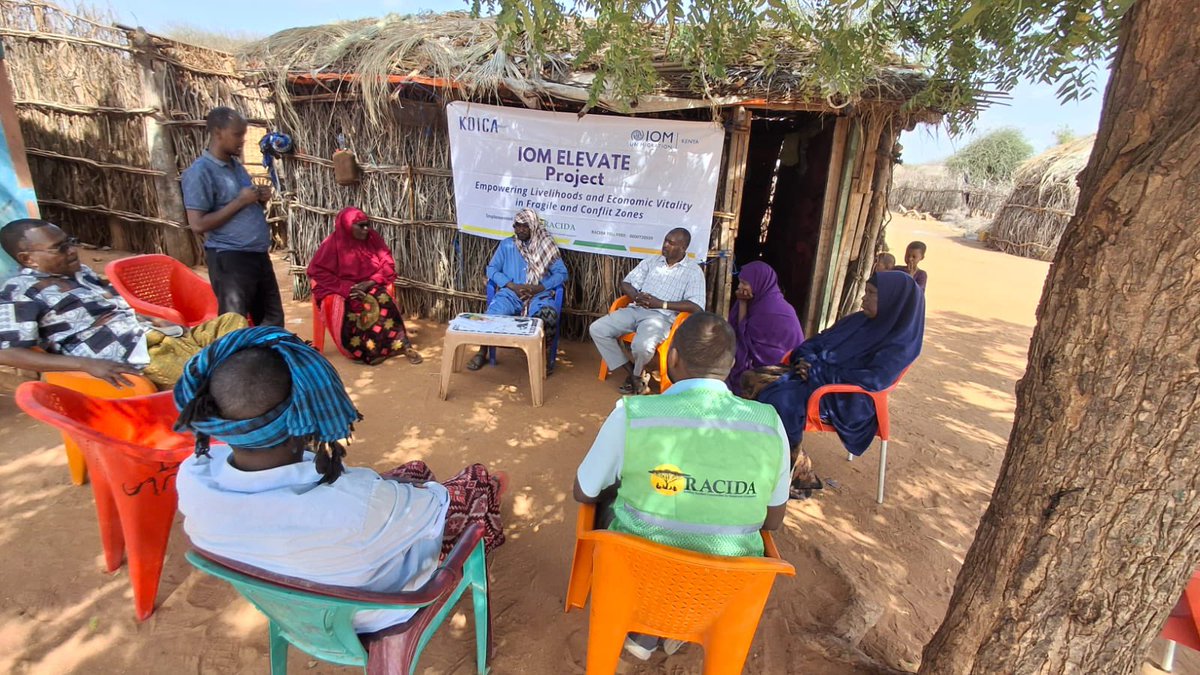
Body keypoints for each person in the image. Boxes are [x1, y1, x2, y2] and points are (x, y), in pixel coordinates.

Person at [173, 326, 507, 634]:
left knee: (414, 471)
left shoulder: (194, 477)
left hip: (290, 603)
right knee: (477, 480)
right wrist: (412, 492)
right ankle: (490, 504)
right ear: (302, 422)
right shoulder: (358, 506)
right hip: (376, 610)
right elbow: (436, 502)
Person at [574, 312, 791, 661]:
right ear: (730, 365)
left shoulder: (632, 414)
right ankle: (680, 626)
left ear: (672, 357)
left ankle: (645, 629)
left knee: (613, 497)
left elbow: (584, 491)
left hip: (639, 578)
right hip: (725, 592)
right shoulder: (769, 424)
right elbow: (773, 521)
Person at [0, 219, 247, 389]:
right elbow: (7, 352)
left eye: (69, 242)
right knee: (220, 373)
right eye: (59, 248)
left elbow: (116, 309)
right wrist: (84, 364)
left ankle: (223, 363)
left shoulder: (80, 273)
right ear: (28, 259)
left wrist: (151, 319)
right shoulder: (20, 292)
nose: (72, 250)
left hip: (157, 336)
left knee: (233, 322)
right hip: (136, 355)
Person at [745, 270, 924, 498]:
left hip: (846, 398)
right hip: (814, 376)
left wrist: (819, 371)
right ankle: (768, 456)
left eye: (871, 293)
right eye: (865, 291)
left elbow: (873, 379)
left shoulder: (900, 344)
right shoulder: (857, 321)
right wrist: (806, 360)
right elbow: (818, 341)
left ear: (891, 301)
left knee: (779, 400)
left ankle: (799, 476)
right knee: (751, 379)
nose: (864, 298)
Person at [182, 107, 284, 327]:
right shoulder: (200, 172)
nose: (242, 140)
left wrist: (259, 199)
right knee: (234, 324)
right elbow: (197, 224)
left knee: (272, 322)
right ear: (218, 132)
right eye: (237, 134)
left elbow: (241, 204)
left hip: (257, 255)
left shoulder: (236, 166)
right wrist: (240, 201)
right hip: (230, 258)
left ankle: (269, 351)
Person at [589, 228, 706, 394]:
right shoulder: (652, 261)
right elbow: (626, 283)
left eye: (671, 243)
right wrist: (636, 296)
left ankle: (636, 375)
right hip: (636, 309)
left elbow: (696, 306)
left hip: (661, 318)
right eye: (665, 240)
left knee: (642, 347)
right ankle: (633, 374)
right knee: (597, 329)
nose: (665, 245)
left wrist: (661, 304)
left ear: (683, 248)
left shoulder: (693, 272)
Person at [307, 207, 422, 365]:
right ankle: (370, 351)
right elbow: (317, 272)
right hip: (342, 286)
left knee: (382, 299)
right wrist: (348, 288)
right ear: (347, 226)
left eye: (368, 224)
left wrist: (371, 282)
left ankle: (400, 344)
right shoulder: (332, 244)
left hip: (370, 281)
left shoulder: (373, 239)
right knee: (350, 309)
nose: (366, 229)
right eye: (361, 225)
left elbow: (387, 263)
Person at [466, 208, 567, 373]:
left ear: (533, 226)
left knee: (548, 315)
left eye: (524, 226)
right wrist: (511, 285)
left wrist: (538, 288)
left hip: (538, 295)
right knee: (492, 315)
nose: (520, 230)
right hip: (511, 294)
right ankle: (482, 351)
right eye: (517, 226)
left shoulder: (546, 246)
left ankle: (542, 354)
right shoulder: (507, 245)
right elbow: (491, 269)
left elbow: (562, 274)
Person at [727, 261, 804, 395]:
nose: (739, 287)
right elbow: (741, 334)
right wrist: (742, 303)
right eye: (740, 282)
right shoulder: (753, 302)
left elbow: (744, 341)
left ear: (759, 283)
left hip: (777, 371)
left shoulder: (771, 310)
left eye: (745, 283)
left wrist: (743, 304)